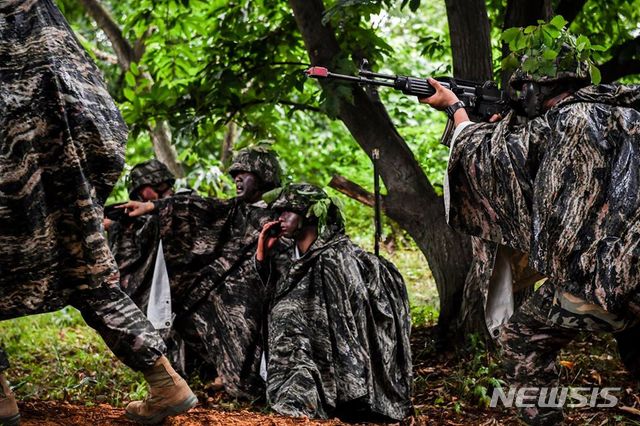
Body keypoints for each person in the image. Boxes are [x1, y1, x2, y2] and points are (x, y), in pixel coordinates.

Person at [421, 24, 640, 425]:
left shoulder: (563, 122)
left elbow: (487, 160)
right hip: (633, 269)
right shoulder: (625, 110)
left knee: (521, 344)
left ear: (539, 87)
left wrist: (457, 112)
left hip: (601, 274)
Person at [0, 1, 196, 424]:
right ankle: (165, 382)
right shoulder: (40, 15)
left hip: (17, 173)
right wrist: (84, 182)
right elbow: (100, 113)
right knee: (93, 280)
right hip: (64, 173)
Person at [120, 147, 282, 399]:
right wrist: (152, 207)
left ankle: (244, 383)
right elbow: (196, 207)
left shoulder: (280, 213)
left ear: (263, 176)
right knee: (187, 311)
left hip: (261, 294)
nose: (237, 178)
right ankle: (217, 374)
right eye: (235, 174)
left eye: (244, 173)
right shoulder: (233, 209)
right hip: (224, 290)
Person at [255, 183, 413, 421]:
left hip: (326, 360)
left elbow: (349, 318)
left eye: (289, 211)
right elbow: (270, 295)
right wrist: (262, 253)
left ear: (309, 214)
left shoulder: (334, 257)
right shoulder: (286, 254)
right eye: (279, 211)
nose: (281, 218)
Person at [106, 159, 190, 377]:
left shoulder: (182, 203)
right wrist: (116, 226)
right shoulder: (132, 218)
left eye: (155, 187)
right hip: (152, 290)